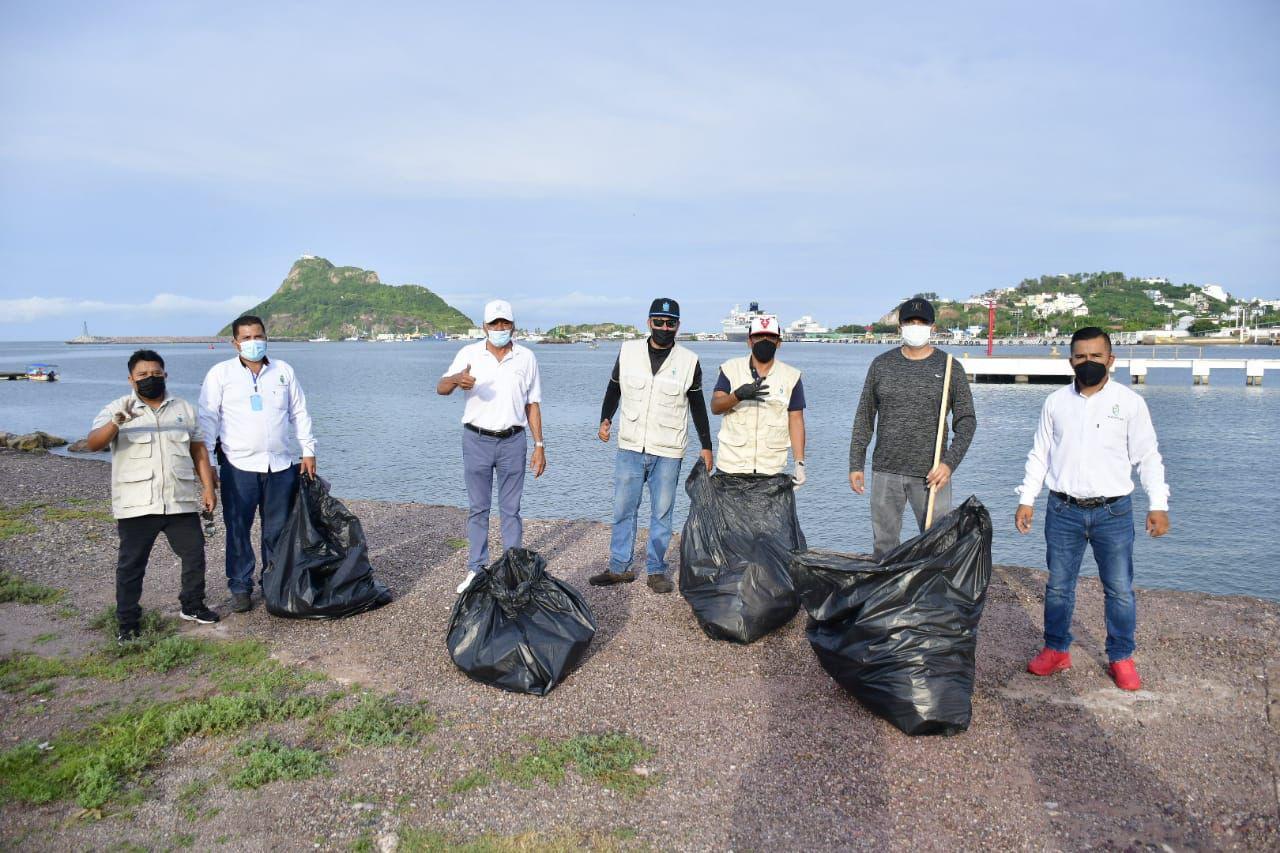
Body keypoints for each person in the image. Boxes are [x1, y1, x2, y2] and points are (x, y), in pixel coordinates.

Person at [1015, 326, 1170, 691]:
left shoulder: (1130, 403)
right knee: (1058, 587)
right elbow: (1040, 453)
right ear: (1071, 361)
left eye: (1096, 356)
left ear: (1110, 360)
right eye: (1081, 357)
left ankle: (1121, 656)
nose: (1088, 363)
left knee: (1118, 589)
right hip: (1063, 510)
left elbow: (1148, 456)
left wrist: (1158, 504)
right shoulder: (1055, 403)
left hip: (1112, 512)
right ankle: (1056, 649)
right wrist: (1027, 498)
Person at [85, 350, 220, 641]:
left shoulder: (183, 407)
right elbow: (93, 443)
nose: (150, 379)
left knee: (194, 554)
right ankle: (128, 623)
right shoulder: (117, 407)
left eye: (156, 373)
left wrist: (208, 487)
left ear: (165, 375)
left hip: (179, 499)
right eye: (143, 375)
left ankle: (193, 605)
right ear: (131, 379)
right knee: (132, 565)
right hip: (137, 503)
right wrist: (119, 420)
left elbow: (198, 450)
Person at [590, 298, 713, 593]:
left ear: (678, 326)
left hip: (668, 450)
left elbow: (697, 405)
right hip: (630, 446)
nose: (664, 328)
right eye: (659, 322)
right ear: (649, 322)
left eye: (670, 323)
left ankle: (656, 570)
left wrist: (707, 445)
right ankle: (619, 568)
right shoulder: (628, 351)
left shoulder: (689, 361)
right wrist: (605, 418)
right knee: (623, 508)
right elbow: (614, 388)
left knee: (661, 512)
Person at [197, 315, 317, 613]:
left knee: (277, 530)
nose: (254, 342)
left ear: (266, 337)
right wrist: (210, 464)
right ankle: (240, 586)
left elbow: (299, 412)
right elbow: (208, 420)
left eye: (258, 336)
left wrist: (308, 450)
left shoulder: (283, 371)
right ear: (234, 342)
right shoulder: (220, 374)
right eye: (247, 338)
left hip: (280, 466)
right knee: (238, 529)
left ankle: (273, 582)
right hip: (239, 467)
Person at [848, 297, 976, 558]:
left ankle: (932, 598)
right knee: (884, 547)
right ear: (900, 327)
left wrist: (949, 463)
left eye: (921, 322)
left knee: (937, 548)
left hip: (931, 474)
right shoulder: (881, 365)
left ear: (932, 327)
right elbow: (864, 416)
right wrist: (856, 463)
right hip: (886, 471)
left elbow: (967, 421)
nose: (915, 326)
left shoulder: (950, 367)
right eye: (909, 322)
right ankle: (887, 597)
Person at [438, 299, 546, 593]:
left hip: (514, 440)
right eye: (494, 323)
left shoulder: (526, 358)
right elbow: (441, 388)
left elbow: (532, 404)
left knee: (511, 510)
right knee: (478, 509)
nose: (500, 328)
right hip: (476, 440)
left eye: (505, 323)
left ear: (513, 325)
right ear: (484, 326)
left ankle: (512, 570)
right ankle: (477, 570)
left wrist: (539, 445)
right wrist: (456, 378)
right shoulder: (469, 353)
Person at [710, 314, 806, 480]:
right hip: (731, 468)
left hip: (771, 470)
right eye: (759, 336)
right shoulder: (730, 369)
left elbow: (796, 420)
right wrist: (737, 396)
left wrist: (799, 464)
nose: (764, 340)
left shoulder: (792, 377)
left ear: (779, 342)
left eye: (770, 337)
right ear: (749, 341)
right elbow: (715, 407)